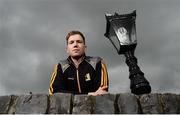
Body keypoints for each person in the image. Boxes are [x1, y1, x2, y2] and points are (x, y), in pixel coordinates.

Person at [49, 30, 109, 96]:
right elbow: (55, 92)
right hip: (68, 106)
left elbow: (101, 92)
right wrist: (89, 94)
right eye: (71, 42)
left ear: (85, 47)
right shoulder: (60, 66)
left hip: (93, 105)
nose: (75, 45)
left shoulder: (97, 63)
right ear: (67, 49)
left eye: (79, 42)